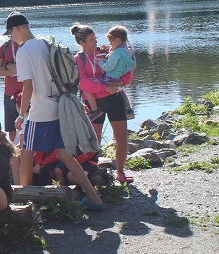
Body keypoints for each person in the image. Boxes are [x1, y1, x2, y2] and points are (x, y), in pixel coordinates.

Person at [9, 12, 105, 211]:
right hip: (61, 106)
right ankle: (94, 199)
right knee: (64, 154)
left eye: (11, 33)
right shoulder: (46, 43)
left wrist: (22, 115)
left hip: (41, 110)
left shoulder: (23, 51)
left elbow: (28, 87)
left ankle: (25, 203)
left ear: (16, 29)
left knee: (26, 153)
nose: (11, 38)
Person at [72, 23, 135, 185]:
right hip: (94, 103)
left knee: (122, 138)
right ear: (81, 43)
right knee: (94, 140)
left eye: (96, 39)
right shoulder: (78, 59)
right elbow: (83, 82)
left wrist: (121, 83)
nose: (96, 42)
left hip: (114, 99)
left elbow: (126, 70)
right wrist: (105, 87)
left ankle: (120, 172)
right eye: (91, 40)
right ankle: (91, 171)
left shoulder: (106, 53)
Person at [80, 25, 136, 121]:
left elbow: (108, 68)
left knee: (86, 88)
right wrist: (110, 47)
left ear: (117, 40)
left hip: (110, 77)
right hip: (118, 78)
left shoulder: (116, 53)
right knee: (120, 89)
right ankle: (129, 109)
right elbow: (120, 49)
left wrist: (100, 62)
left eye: (110, 42)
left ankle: (94, 110)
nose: (110, 44)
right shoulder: (128, 50)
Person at [0, 34, 24, 142]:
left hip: (28, 93)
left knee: (28, 127)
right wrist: (18, 70)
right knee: (12, 130)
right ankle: (14, 151)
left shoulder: (29, 46)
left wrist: (7, 65)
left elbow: (33, 69)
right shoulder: (4, 47)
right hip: (9, 95)